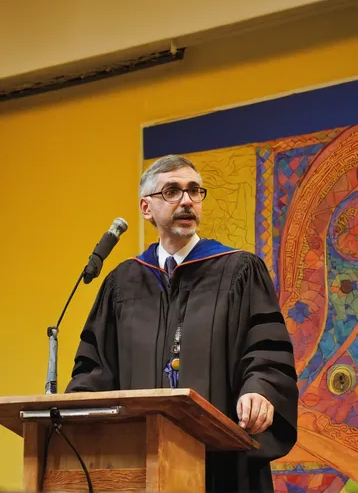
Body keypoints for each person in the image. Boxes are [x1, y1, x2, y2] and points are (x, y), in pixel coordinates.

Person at [66, 154, 298, 492]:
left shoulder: (239, 271)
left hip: (220, 466)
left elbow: (266, 347)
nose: (187, 200)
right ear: (146, 208)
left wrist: (259, 390)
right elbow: (96, 364)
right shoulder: (123, 282)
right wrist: (79, 407)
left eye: (194, 191)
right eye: (172, 191)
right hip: (138, 466)